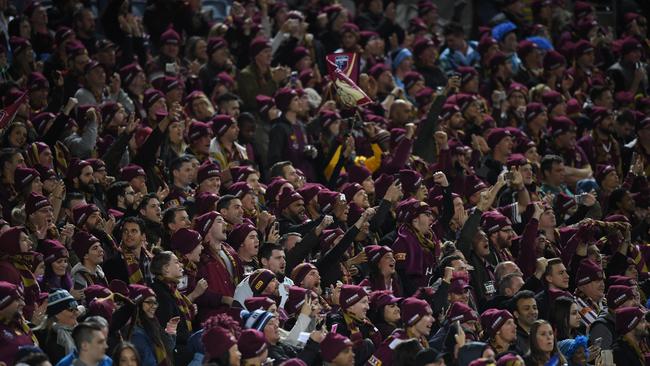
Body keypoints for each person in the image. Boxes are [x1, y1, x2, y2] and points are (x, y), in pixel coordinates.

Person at [125, 284, 176, 366]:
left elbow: (169, 346)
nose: (154, 306)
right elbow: (148, 363)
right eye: (149, 302)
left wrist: (170, 331)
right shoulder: (136, 333)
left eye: (155, 302)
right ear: (138, 304)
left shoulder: (153, 323)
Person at [35, 290, 81, 364]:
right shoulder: (46, 337)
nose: (76, 312)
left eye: (76, 308)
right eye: (71, 309)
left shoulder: (79, 330)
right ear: (56, 314)